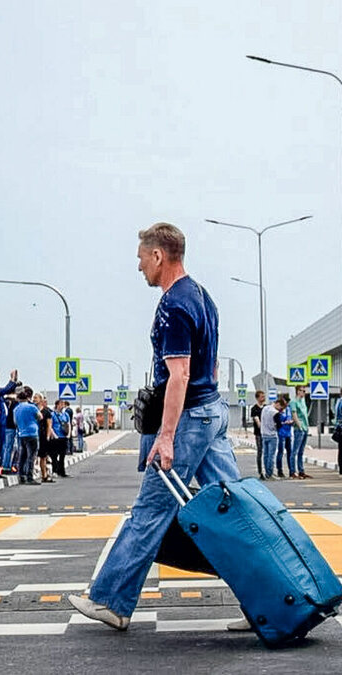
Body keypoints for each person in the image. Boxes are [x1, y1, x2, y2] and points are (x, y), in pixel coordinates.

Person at [70, 222, 239, 631]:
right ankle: (267, 601)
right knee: (234, 511)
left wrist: (166, 436)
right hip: (212, 409)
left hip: (190, 419)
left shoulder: (173, 304)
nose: (140, 267)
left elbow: (179, 375)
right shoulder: (202, 295)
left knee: (149, 510)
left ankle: (111, 601)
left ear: (159, 256)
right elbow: (211, 363)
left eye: (142, 258)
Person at [12, 388, 41, 485]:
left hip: (22, 434)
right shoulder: (32, 407)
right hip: (32, 433)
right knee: (31, 456)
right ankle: (29, 477)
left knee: (22, 456)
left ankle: (21, 476)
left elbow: (15, 422)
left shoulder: (16, 409)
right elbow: (40, 416)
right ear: (27, 398)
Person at [290, 386, 310, 479]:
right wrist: (299, 426)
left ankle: (301, 471)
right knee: (295, 451)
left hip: (305, 427)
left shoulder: (303, 401)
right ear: (298, 391)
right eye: (303, 391)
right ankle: (292, 471)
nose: (304, 393)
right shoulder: (293, 402)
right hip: (299, 428)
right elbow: (294, 415)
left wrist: (306, 427)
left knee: (301, 451)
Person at [260, 395, 281, 480]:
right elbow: (278, 425)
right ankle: (270, 473)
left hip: (264, 434)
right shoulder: (275, 412)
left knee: (265, 455)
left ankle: (266, 473)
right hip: (272, 435)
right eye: (280, 407)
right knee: (271, 456)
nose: (280, 409)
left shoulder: (265, 408)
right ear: (278, 404)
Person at [276, 394, 294, 478]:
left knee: (290, 453)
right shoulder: (278, 410)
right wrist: (284, 423)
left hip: (288, 433)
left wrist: (291, 421)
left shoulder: (289, 409)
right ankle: (280, 470)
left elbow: (291, 419)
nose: (287, 404)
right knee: (280, 452)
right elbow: (277, 422)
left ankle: (291, 471)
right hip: (281, 433)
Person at [250, 390, 266, 479]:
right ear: (257, 398)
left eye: (264, 396)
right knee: (260, 451)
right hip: (259, 433)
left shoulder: (266, 407)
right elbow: (257, 422)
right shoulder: (254, 409)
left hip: (267, 433)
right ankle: (261, 472)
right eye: (262, 396)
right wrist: (263, 427)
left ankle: (268, 470)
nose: (264, 398)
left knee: (267, 452)